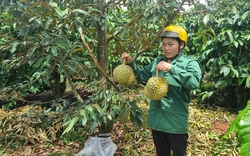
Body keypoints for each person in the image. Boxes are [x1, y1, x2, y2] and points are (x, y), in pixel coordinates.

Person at [121, 25, 202, 156]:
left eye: (170, 44)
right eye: (164, 44)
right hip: (157, 121)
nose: (166, 48)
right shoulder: (157, 62)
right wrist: (131, 63)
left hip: (175, 123)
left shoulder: (190, 63)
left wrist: (172, 68)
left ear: (181, 45)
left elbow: (193, 82)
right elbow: (141, 75)